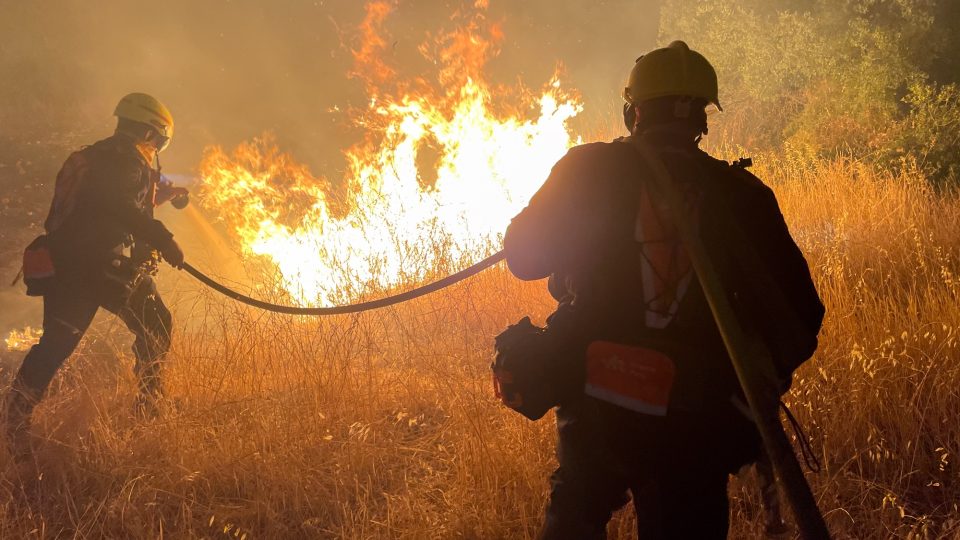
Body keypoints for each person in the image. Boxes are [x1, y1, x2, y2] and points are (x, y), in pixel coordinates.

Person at [501, 41, 824, 538]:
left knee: (575, 514)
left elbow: (523, 259)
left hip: (595, 406)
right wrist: (753, 383)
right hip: (694, 418)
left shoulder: (588, 169)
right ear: (703, 117)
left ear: (633, 111)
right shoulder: (744, 196)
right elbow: (801, 315)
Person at [5, 93, 188, 459]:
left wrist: (163, 196)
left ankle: (14, 424)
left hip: (66, 266)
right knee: (156, 324)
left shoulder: (101, 156)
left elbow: (108, 205)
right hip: (103, 268)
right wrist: (164, 240)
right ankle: (150, 405)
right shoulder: (127, 163)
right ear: (153, 134)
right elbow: (120, 207)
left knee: (55, 345)